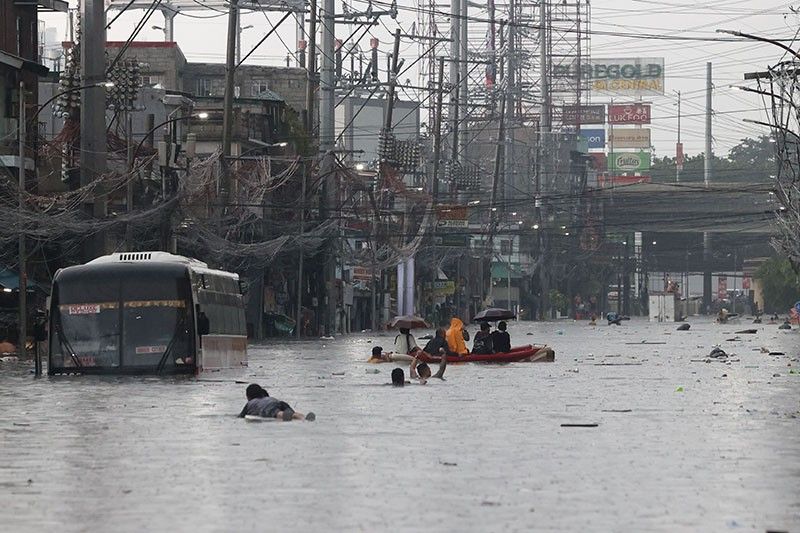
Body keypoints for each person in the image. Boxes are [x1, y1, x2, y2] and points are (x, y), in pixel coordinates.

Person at [238, 384, 315, 421]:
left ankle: (300, 418)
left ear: (248, 396)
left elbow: (241, 416)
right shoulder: (267, 398)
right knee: (290, 413)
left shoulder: (251, 403)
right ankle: (302, 416)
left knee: (279, 414)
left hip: (267, 408)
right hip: (278, 402)